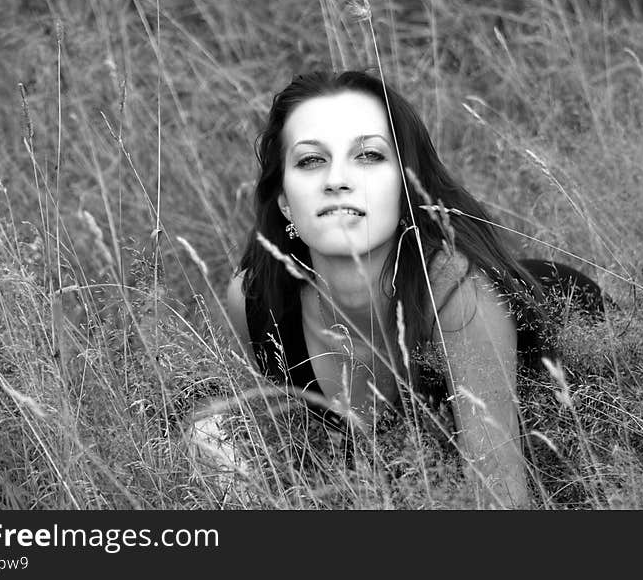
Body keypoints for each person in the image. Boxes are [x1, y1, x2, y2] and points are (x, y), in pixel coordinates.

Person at [225, 69, 605, 509]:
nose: (337, 180)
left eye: (367, 155)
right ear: (286, 201)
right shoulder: (256, 302)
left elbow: (501, 501)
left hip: (594, 371)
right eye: (311, 160)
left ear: (407, 187)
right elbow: (295, 465)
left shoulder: (461, 297)